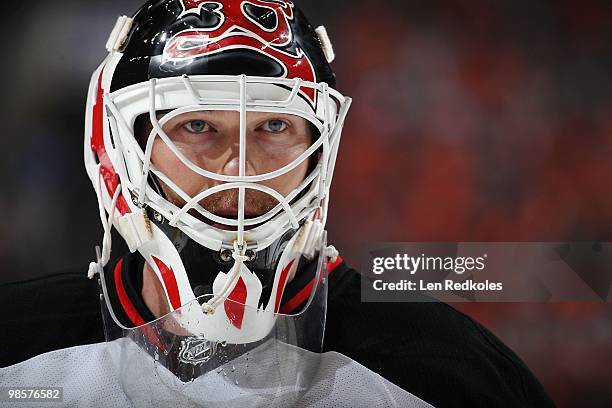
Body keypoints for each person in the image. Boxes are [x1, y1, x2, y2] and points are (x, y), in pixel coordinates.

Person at [0, 0, 554, 407]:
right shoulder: (17, 348)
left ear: (320, 150)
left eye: (273, 126)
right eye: (197, 125)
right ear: (125, 149)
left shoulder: (452, 373)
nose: (239, 168)